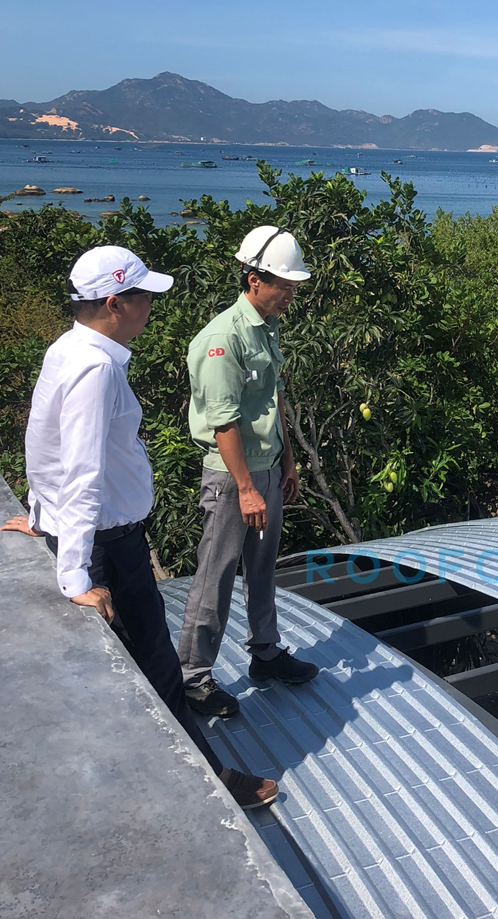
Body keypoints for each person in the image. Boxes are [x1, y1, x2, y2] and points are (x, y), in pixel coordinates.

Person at [2, 245, 278, 809]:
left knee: (137, 667)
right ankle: (206, 784)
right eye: (143, 296)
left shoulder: (69, 349)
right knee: (155, 665)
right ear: (114, 303)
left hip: (93, 536)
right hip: (109, 546)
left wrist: (43, 516)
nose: (151, 305)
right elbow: (81, 469)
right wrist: (74, 574)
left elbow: (42, 442)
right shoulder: (97, 368)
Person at [178, 226, 319, 719]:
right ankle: (193, 677)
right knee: (215, 575)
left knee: (262, 569)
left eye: (294, 287)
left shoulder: (267, 326)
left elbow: (271, 399)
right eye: (284, 285)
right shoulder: (223, 337)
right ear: (254, 278)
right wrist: (244, 488)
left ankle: (266, 653)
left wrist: (287, 460)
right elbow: (223, 422)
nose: (290, 295)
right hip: (232, 477)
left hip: (266, 470)